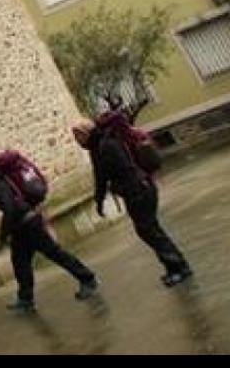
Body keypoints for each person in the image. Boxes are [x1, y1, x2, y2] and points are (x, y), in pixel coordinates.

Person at [73, 107, 193, 287]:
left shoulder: (106, 145)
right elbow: (100, 178)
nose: (76, 141)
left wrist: (117, 189)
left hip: (138, 191)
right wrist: (99, 200)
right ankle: (174, 267)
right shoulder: (97, 147)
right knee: (149, 230)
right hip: (137, 190)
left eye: (77, 136)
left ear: (85, 133)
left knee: (149, 231)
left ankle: (180, 267)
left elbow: (123, 170)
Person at [0, 157, 98, 311]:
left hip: (28, 225)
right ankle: (25, 298)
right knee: (20, 263)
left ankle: (88, 279)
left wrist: (3, 232)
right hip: (22, 227)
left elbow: (9, 207)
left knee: (55, 254)